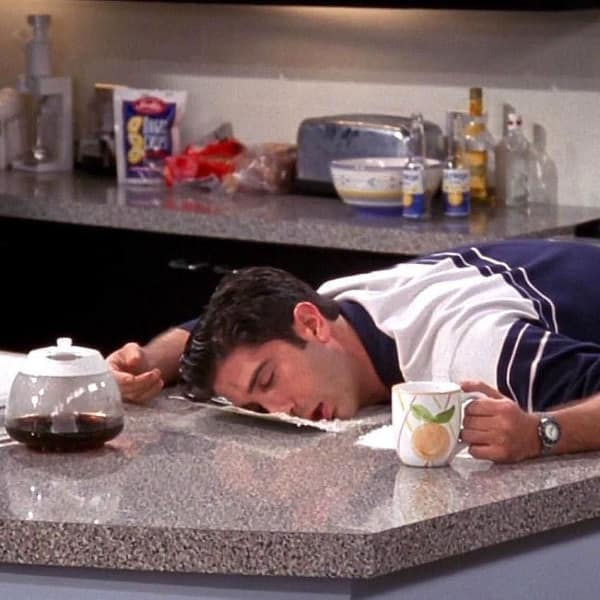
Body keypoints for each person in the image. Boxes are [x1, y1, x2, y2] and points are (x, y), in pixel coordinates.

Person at [107, 238, 600, 464]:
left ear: (311, 324)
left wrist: (541, 433)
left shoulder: (473, 352)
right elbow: (211, 330)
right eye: (256, 407)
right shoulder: (340, 303)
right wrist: (148, 362)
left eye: (268, 380)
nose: (280, 412)